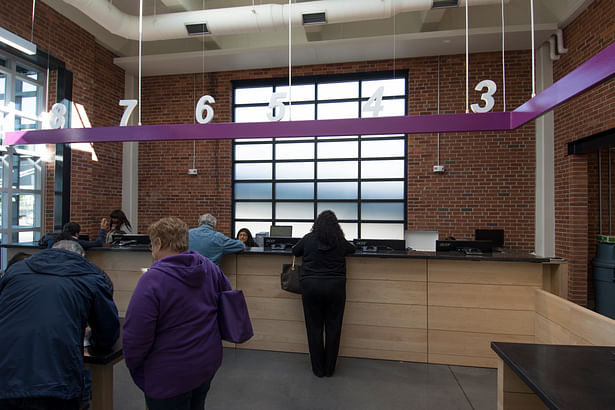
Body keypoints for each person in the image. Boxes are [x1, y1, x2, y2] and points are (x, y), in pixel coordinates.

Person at [123, 217, 232, 410]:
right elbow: (228, 303)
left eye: (151, 244)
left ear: (159, 243)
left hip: (169, 372)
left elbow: (137, 334)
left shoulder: (152, 279)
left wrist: (134, 365)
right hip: (206, 361)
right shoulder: (209, 267)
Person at [0, 240, 120, 410]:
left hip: (6, 371)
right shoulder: (92, 278)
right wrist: (89, 338)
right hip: (56, 377)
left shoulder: (16, 271)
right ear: (82, 256)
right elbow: (107, 332)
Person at [292, 210, 355, 377]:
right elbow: (353, 249)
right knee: (334, 327)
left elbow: (295, 251)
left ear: (317, 224)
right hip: (335, 287)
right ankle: (330, 369)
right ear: (336, 226)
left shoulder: (308, 239)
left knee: (314, 328)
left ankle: (318, 369)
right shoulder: (339, 241)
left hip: (311, 287)